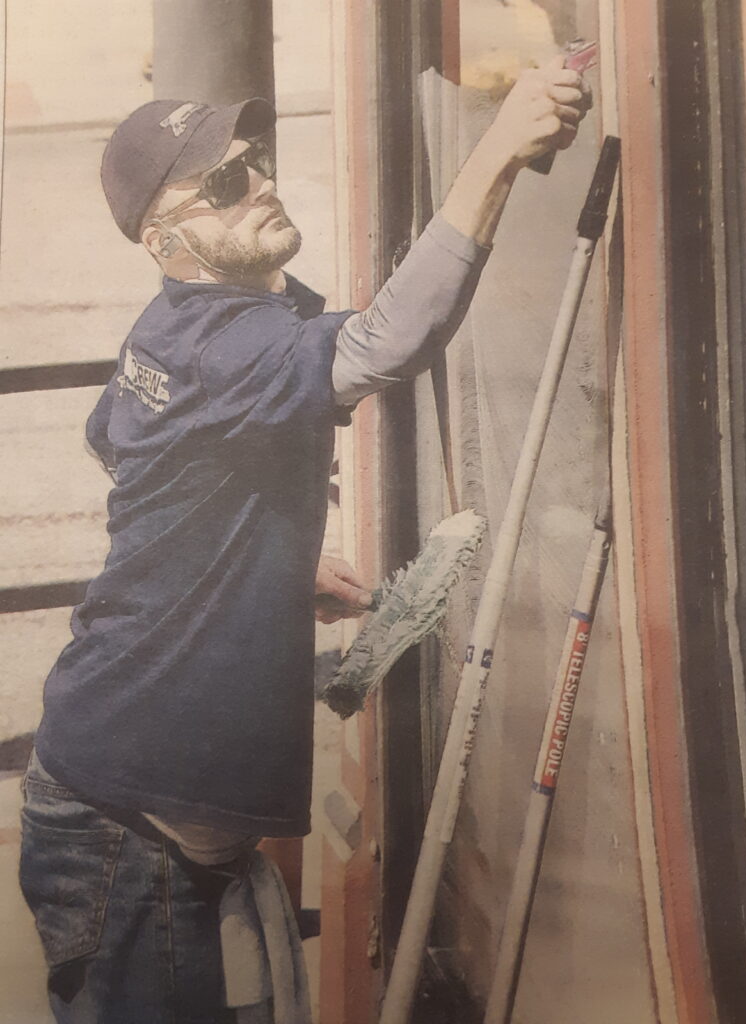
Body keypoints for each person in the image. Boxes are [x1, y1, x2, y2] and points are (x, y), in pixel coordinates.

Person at [19, 58, 591, 1023]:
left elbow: (112, 441)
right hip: (126, 833)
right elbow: (384, 344)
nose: (265, 184)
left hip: (132, 801)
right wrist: (495, 151)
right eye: (227, 183)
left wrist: (266, 568)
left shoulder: (174, 334)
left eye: (259, 161)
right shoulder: (220, 343)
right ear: (168, 240)